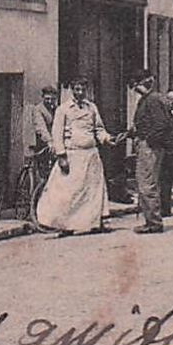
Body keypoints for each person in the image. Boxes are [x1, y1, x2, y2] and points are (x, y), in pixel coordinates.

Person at [36, 80, 116, 236]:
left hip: (91, 155)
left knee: (93, 191)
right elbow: (57, 134)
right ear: (72, 90)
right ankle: (65, 225)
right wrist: (61, 156)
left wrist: (106, 138)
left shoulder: (92, 107)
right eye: (77, 89)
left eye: (83, 89)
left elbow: (98, 129)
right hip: (72, 155)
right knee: (69, 193)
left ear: (87, 90)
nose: (80, 93)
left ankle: (94, 223)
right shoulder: (63, 109)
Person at [129, 73, 171, 234]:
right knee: (145, 183)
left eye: (136, 85)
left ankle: (154, 222)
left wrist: (147, 139)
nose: (135, 89)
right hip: (147, 144)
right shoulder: (147, 100)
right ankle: (151, 220)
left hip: (150, 147)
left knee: (147, 184)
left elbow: (161, 124)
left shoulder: (152, 99)